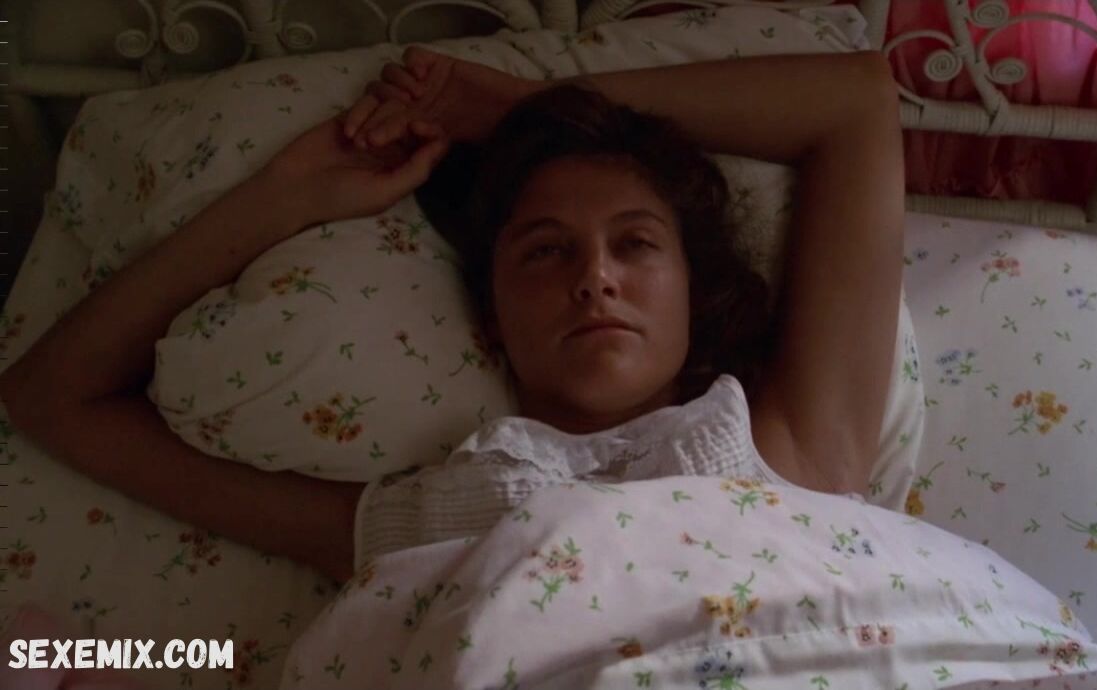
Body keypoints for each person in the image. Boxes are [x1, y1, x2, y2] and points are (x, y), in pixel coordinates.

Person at [0, 47, 904, 584]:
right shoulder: (421, 522)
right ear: (490, 318)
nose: (595, 277)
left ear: (693, 293)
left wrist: (520, 108)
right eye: (545, 251)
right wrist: (286, 198)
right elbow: (49, 397)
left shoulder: (784, 449)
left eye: (634, 244)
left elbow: (856, 101)